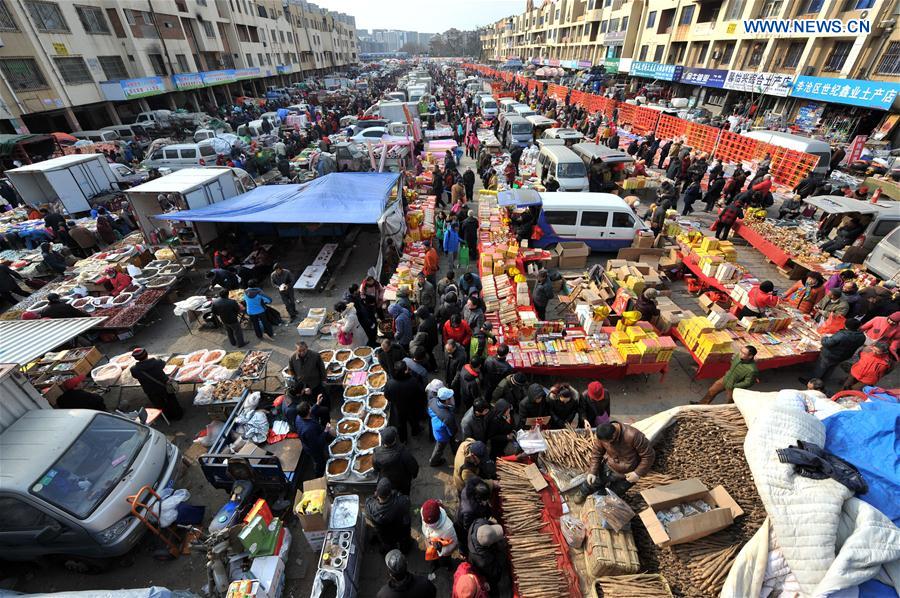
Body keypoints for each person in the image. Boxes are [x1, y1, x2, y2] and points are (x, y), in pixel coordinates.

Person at [585, 421, 654, 496]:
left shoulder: (633, 435)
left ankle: (602, 498)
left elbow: (648, 455)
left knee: (611, 495)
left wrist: (637, 473)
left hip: (628, 473)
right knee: (591, 484)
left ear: (614, 435)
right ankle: (583, 492)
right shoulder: (602, 435)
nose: (607, 444)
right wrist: (592, 471)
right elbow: (596, 453)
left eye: (609, 441)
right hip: (609, 466)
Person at [802, 319, 866, 387]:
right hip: (843, 356)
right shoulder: (862, 337)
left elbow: (826, 343)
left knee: (820, 368)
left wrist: (824, 337)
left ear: (846, 325)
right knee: (830, 369)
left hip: (830, 355)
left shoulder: (843, 335)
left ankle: (811, 383)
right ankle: (822, 382)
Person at [130, 348, 183, 421]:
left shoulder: (134, 369)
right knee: (171, 400)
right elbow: (163, 363)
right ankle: (178, 415)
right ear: (146, 355)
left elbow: (135, 376)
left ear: (135, 358)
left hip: (150, 390)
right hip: (163, 386)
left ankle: (167, 417)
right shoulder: (156, 362)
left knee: (159, 404)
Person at [694, 345, 759, 404]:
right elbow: (732, 364)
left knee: (729, 402)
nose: (740, 354)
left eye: (743, 353)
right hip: (725, 379)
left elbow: (748, 383)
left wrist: (735, 385)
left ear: (750, 356)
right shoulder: (738, 357)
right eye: (741, 351)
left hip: (733, 387)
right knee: (711, 391)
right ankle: (701, 405)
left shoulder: (752, 370)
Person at [366, 479, 413, 555]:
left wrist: (374, 496)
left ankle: (388, 554)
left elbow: (368, 501)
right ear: (390, 492)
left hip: (385, 536)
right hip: (400, 531)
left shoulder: (371, 507)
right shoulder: (401, 502)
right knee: (405, 543)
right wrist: (396, 494)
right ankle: (405, 551)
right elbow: (407, 502)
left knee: (387, 546)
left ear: (377, 493)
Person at [373, 426, 419, 496]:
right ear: (395, 439)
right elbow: (413, 466)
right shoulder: (403, 452)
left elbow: (376, 468)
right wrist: (414, 475)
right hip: (403, 481)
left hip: (388, 482)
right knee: (405, 494)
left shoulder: (376, 453)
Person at [386, 362, 425, 442]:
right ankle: (415, 431)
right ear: (405, 371)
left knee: (401, 424)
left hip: (399, 408)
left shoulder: (390, 383)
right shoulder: (413, 381)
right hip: (412, 407)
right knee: (414, 420)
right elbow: (421, 393)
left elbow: (387, 396)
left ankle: (403, 439)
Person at [420, 499, 459, 580]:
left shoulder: (448, 528)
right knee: (433, 559)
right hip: (431, 545)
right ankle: (435, 564)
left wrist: (440, 549)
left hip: (443, 551)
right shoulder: (423, 511)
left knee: (444, 561)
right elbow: (425, 528)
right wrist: (427, 537)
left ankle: (447, 565)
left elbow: (453, 544)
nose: (427, 525)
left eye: (431, 525)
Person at [467, 519, 506, 597]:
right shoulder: (483, 561)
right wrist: (502, 552)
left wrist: (492, 522)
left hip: (473, 553)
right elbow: (496, 572)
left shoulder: (478, 523)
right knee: (492, 586)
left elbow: (487, 520)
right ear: (488, 546)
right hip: (483, 571)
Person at [295, 400, 332, 477]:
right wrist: (326, 431)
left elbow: (312, 412)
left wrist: (317, 403)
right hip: (314, 449)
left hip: (308, 442)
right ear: (309, 411)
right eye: (310, 407)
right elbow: (317, 444)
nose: (311, 407)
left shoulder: (298, 417)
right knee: (320, 462)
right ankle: (319, 476)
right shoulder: (309, 429)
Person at [428, 387, 459, 466]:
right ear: (446, 401)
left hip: (437, 429)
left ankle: (455, 450)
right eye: (450, 397)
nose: (452, 398)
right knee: (439, 449)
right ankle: (433, 461)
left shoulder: (433, 401)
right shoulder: (448, 416)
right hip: (442, 436)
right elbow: (452, 431)